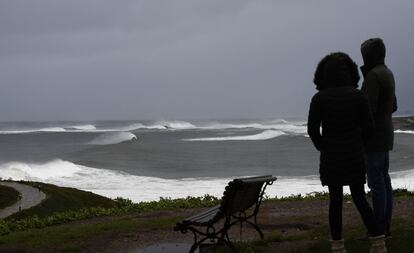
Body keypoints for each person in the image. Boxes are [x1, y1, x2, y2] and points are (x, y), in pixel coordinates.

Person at [308, 52, 384, 253]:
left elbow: (312, 130)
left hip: (331, 157)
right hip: (354, 155)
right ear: (350, 73)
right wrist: (358, 143)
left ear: (323, 74)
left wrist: (323, 146)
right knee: (359, 198)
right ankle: (378, 243)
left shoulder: (319, 98)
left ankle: (338, 247)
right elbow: (369, 128)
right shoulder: (358, 96)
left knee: (335, 201)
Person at [360, 38, 397, 239]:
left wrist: (360, 134)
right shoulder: (387, 72)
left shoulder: (374, 75)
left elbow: (368, 109)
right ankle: (385, 224)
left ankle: (380, 227)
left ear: (371, 55)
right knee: (384, 180)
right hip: (385, 133)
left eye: (364, 54)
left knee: (376, 183)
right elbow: (393, 105)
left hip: (373, 137)